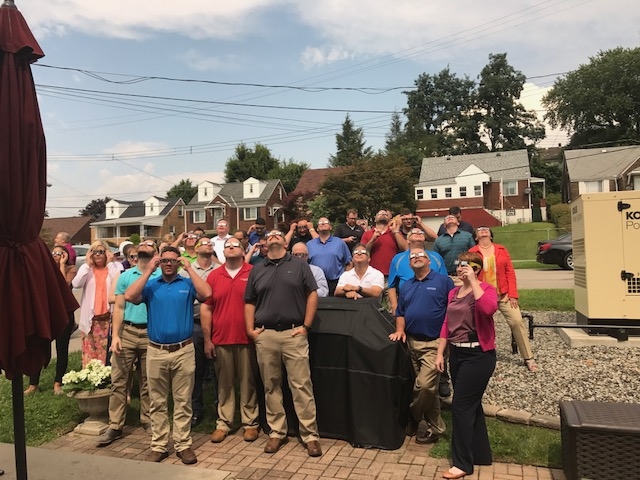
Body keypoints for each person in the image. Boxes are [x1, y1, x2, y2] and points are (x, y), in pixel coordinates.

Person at [125, 246, 212, 464]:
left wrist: (190, 269)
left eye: (173, 260)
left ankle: (183, 444)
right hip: (156, 351)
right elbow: (129, 295)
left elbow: (207, 294)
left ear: (178, 262)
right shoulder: (152, 285)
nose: (169, 264)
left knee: (183, 401)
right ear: (159, 262)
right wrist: (148, 271)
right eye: (164, 260)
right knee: (157, 401)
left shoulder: (187, 283)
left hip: (183, 350)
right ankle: (159, 444)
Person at [244, 230, 322, 457]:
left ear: (285, 243)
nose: (275, 236)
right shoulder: (257, 269)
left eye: (279, 234)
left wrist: (306, 326)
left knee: (301, 386)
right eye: (271, 235)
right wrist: (250, 330)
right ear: (265, 244)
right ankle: (277, 433)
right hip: (266, 336)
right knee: (271, 386)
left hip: (294, 335)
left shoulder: (299, 265)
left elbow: (312, 294)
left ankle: (310, 436)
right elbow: (249, 301)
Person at [435, 252, 498, 479]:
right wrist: (441, 353)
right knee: (472, 405)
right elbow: (446, 323)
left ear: (476, 268)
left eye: (465, 265)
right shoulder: (453, 292)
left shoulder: (486, 290)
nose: (460, 268)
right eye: (458, 265)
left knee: (461, 406)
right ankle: (480, 454)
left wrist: (474, 282)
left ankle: (462, 464)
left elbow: (488, 309)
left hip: (479, 356)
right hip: (458, 354)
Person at [96, 241, 159, 447]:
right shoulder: (125, 276)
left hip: (151, 332)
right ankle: (115, 425)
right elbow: (120, 308)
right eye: (142, 243)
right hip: (128, 332)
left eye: (150, 244)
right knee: (119, 380)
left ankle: (148, 419)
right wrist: (115, 336)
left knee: (149, 380)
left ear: (156, 253)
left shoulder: (159, 276)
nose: (145, 245)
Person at [389, 248, 454, 445]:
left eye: (420, 255)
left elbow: (452, 311)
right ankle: (436, 429)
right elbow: (400, 312)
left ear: (429, 261)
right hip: (411, 342)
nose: (416, 258)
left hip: (435, 344)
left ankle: (413, 416)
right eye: (412, 257)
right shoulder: (407, 285)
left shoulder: (443, 282)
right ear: (409, 265)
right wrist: (400, 330)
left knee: (424, 385)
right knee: (429, 391)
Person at [202, 239, 259, 444]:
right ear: (223, 251)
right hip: (221, 338)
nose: (231, 247)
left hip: (247, 338)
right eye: (227, 246)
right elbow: (206, 308)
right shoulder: (214, 275)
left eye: (236, 245)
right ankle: (224, 423)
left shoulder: (254, 272)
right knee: (224, 385)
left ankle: (250, 423)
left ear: (244, 251)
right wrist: (207, 340)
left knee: (248, 382)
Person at [469, 227, 538, 372]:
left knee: (517, 321)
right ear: (476, 236)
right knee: (479, 325)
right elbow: (471, 275)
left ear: (491, 235)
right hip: (483, 296)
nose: (483, 230)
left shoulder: (501, 249)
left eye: (485, 229)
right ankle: (482, 356)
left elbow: (510, 272)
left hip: (504, 295)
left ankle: (528, 357)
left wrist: (513, 294)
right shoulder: (472, 252)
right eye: (479, 229)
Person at [24, 245, 77, 395]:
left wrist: (61, 265)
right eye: (53, 252)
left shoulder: (70, 270)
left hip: (64, 314)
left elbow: (63, 286)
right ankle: (33, 384)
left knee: (61, 348)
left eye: (59, 253)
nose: (55, 255)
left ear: (65, 256)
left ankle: (58, 383)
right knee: (40, 346)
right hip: (46, 314)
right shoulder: (42, 270)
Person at [181, 236, 219, 427]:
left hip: (217, 323)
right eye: (204, 242)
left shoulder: (220, 269)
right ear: (196, 248)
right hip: (194, 323)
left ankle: (221, 407)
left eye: (210, 243)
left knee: (219, 369)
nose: (208, 245)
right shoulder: (187, 271)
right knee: (195, 369)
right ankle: (196, 409)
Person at [72, 240, 123, 367]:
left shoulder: (116, 267)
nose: (98, 255)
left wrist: (110, 264)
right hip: (91, 318)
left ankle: (105, 377)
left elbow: (118, 283)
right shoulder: (87, 269)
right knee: (91, 351)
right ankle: (91, 377)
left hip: (108, 318)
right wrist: (87, 265)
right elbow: (76, 284)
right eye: (95, 252)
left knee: (107, 351)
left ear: (107, 253)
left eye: (101, 252)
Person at [387, 229, 447, 315]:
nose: (418, 233)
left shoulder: (436, 257)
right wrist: (394, 306)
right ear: (407, 240)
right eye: (414, 233)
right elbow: (391, 286)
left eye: (421, 232)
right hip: (408, 304)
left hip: (434, 304)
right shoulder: (397, 259)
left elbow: (445, 282)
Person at [306, 217, 352, 296]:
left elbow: (349, 263)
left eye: (325, 222)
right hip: (316, 282)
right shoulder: (309, 244)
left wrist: (346, 279)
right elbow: (305, 264)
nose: (323, 223)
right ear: (317, 229)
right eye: (320, 223)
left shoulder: (339, 243)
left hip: (335, 282)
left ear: (330, 227)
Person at [361, 210, 407, 277]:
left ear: (389, 219)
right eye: (380, 214)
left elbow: (405, 249)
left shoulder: (395, 232)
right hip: (372, 275)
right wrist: (372, 240)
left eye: (385, 214)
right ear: (375, 219)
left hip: (392, 274)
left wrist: (396, 232)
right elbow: (363, 253)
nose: (382, 214)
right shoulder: (367, 234)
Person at [433, 215, 476, 279]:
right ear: (444, 225)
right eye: (447, 218)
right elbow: (436, 259)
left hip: (465, 273)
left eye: (452, 217)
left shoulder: (468, 236)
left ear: (458, 223)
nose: (450, 218)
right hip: (447, 275)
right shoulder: (438, 240)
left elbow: (474, 255)